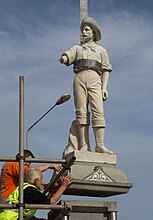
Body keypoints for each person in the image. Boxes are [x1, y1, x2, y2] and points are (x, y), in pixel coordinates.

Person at [59, 17, 113, 155]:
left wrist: (104, 87)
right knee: (81, 112)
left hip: (95, 79)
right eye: (82, 29)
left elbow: (106, 69)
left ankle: (100, 145)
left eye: (87, 29)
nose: (83, 32)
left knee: (98, 112)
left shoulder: (101, 50)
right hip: (80, 78)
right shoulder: (77, 48)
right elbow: (68, 55)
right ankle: (83, 145)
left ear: (93, 33)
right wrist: (64, 58)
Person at [0, 168, 73, 220]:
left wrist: (52, 192)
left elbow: (42, 204)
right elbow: (51, 203)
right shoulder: (30, 190)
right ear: (36, 181)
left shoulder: (25, 188)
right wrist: (63, 186)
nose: (42, 183)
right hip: (13, 218)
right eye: (41, 180)